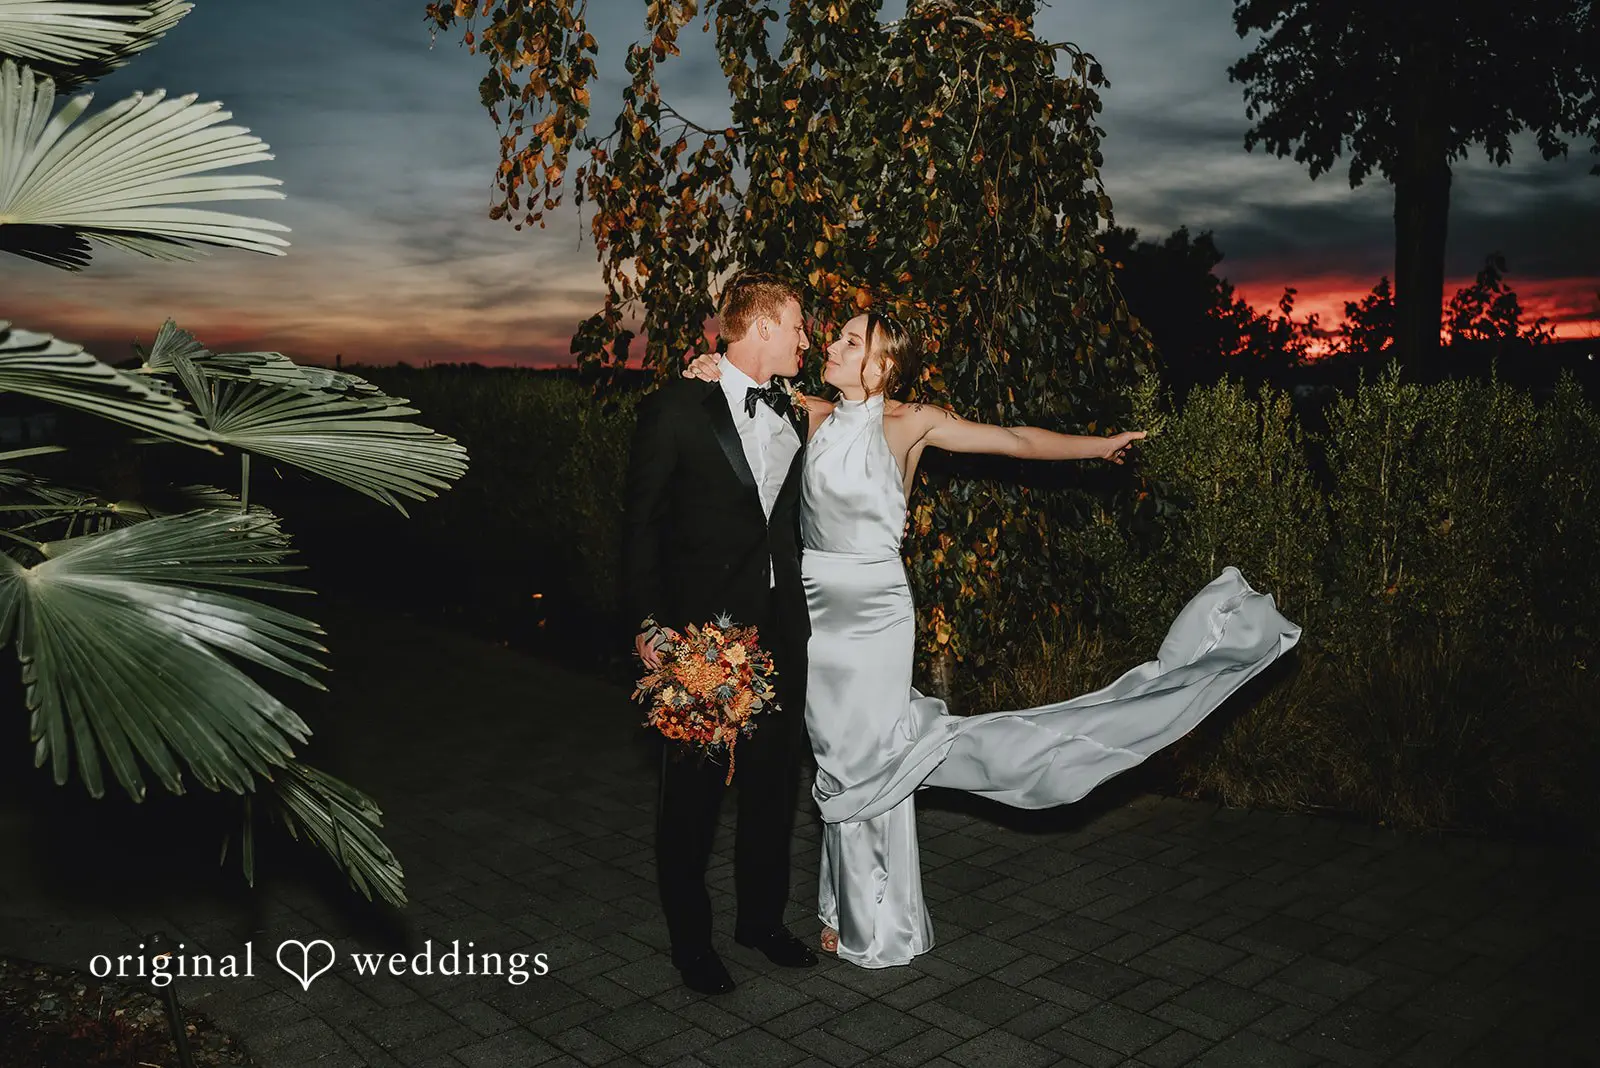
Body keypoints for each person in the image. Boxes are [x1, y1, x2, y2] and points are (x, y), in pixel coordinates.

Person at [684, 310, 1301, 968]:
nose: (831, 347)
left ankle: (871, 924)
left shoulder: (911, 422)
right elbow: (740, 386)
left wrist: (1097, 447)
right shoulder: (810, 411)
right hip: (813, 613)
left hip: (874, 619)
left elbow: (1014, 441)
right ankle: (845, 907)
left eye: (850, 342)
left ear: (883, 365)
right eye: (835, 338)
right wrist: (709, 367)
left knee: (865, 760)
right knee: (843, 761)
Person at [622, 272, 819, 995]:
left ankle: (761, 922)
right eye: (797, 325)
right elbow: (640, 525)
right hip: (701, 642)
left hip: (782, 634)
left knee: (773, 790)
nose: (806, 339)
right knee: (694, 801)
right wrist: (647, 624)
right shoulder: (676, 408)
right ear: (762, 324)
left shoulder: (799, 413)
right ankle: (691, 944)